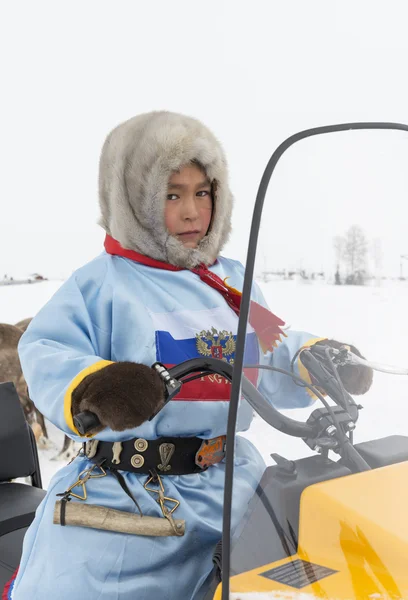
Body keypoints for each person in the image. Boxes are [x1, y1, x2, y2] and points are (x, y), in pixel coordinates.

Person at [10, 111, 372, 600]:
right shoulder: (103, 283)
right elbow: (46, 350)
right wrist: (99, 385)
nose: (191, 212)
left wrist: (313, 359)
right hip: (129, 498)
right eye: (171, 194)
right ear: (134, 199)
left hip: (232, 489)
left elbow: (270, 349)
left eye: (202, 192)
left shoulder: (233, 284)